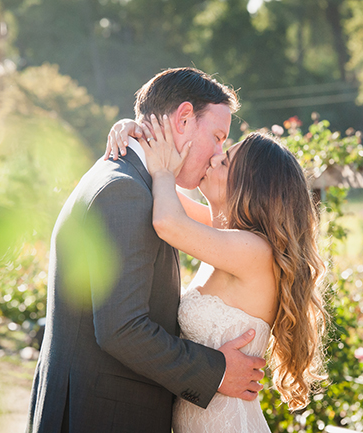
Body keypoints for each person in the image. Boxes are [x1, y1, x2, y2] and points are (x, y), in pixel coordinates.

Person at [25, 67, 266, 433]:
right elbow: (122, 328)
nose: (219, 153)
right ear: (183, 118)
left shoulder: (131, 178)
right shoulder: (127, 192)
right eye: (217, 137)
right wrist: (216, 371)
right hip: (101, 417)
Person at [105, 115, 329, 432]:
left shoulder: (253, 251)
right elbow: (154, 192)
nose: (213, 159)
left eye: (224, 162)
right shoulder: (223, 234)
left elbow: (168, 221)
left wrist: (165, 170)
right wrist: (133, 132)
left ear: (249, 188)